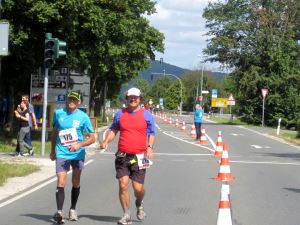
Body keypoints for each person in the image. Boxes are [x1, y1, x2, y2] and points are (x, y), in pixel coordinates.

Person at [100, 87, 155, 225]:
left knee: (138, 189)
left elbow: (151, 133)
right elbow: (114, 129)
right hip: (122, 156)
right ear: (127, 98)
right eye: (130, 97)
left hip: (140, 156)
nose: (133, 99)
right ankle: (126, 215)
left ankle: (139, 202)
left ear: (140, 98)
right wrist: (106, 140)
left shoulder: (146, 114)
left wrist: (149, 147)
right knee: (123, 185)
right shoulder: (120, 114)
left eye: (135, 97)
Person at [50, 91, 95, 224]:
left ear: (79, 102)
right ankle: (59, 212)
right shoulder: (58, 113)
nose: (72, 101)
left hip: (77, 154)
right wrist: (53, 150)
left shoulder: (83, 117)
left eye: (74, 100)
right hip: (62, 152)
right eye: (70, 99)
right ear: (67, 100)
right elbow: (54, 133)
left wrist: (79, 144)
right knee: (61, 181)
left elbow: (92, 138)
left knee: (76, 181)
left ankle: (73, 209)